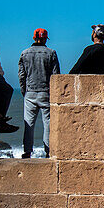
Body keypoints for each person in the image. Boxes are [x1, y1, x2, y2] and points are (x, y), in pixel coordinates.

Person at [18, 28, 60, 158]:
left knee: (29, 123)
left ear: (33, 38)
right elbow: (55, 75)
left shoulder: (24, 53)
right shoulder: (51, 53)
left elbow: (21, 75)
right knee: (47, 123)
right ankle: (48, 151)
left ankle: (27, 151)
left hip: (30, 92)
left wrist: (24, 91)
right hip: (46, 92)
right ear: (45, 39)